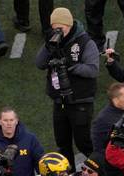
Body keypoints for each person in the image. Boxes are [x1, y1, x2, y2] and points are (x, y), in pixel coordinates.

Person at [35, 9, 99, 166]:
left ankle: (100, 172)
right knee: (62, 144)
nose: (58, 32)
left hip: (80, 102)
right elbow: (39, 63)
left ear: (69, 25)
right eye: (54, 28)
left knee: (83, 143)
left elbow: (93, 70)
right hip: (59, 101)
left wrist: (71, 66)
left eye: (60, 28)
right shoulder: (53, 41)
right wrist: (48, 47)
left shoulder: (85, 42)